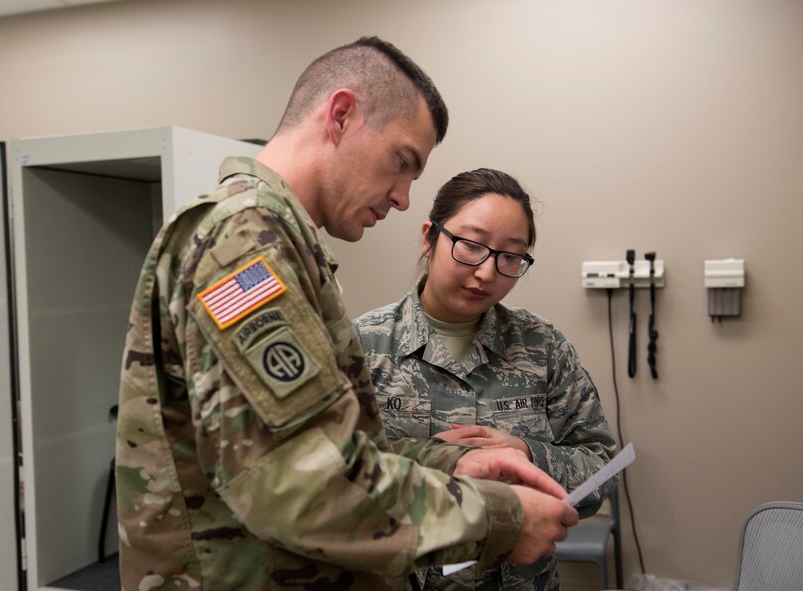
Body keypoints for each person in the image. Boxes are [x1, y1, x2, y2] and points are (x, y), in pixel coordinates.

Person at [115, 38, 578, 591]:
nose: (405, 197)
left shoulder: (276, 241)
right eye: (402, 162)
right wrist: (502, 520)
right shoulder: (243, 243)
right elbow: (300, 483)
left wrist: (449, 463)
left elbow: (328, 450)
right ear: (340, 116)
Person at [354, 168, 618, 590]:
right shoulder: (362, 348)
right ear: (429, 237)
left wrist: (528, 456)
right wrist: (441, 462)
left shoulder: (543, 347)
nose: (487, 272)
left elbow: (601, 471)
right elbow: (337, 478)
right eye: (471, 246)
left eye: (510, 257)